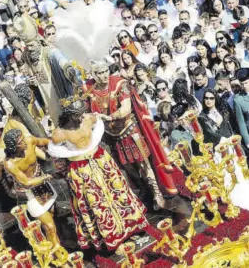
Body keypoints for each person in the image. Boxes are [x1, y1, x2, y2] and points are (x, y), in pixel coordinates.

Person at [48, 99, 148, 250]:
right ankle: (112, 238)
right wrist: (64, 170)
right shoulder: (59, 133)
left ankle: (130, 228)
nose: (82, 117)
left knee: (119, 192)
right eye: (78, 115)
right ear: (70, 115)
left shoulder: (89, 118)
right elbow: (55, 154)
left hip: (101, 160)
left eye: (83, 113)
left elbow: (99, 123)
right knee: (96, 202)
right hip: (81, 170)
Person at [84, 61, 179, 210]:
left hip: (130, 131)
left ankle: (156, 194)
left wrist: (107, 117)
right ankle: (143, 189)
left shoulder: (120, 84)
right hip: (111, 135)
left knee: (143, 162)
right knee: (127, 167)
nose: (103, 76)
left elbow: (126, 109)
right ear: (93, 74)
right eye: (99, 73)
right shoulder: (89, 89)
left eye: (105, 71)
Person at [3, 129, 58, 245]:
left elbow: (47, 141)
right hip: (29, 195)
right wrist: (47, 177)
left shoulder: (29, 141)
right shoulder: (10, 163)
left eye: (23, 138)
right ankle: (61, 255)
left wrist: (53, 153)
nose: (24, 142)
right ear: (14, 147)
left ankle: (52, 248)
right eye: (20, 142)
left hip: (44, 188)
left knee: (50, 223)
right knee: (51, 227)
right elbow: (27, 182)